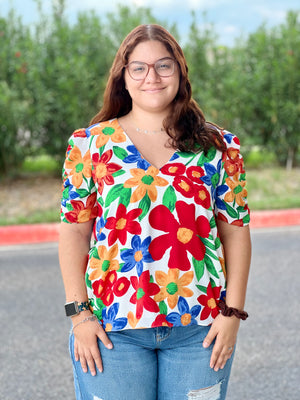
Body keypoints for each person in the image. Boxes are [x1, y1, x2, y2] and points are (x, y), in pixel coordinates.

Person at [59, 24, 251, 400]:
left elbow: (236, 231)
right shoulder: (89, 145)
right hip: (112, 329)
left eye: (164, 66)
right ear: (123, 77)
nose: (152, 76)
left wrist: (233, 315)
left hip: (201, 329)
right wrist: (79, 314)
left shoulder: (218, 146)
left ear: (180, 73)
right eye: (139, 67)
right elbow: (74, 232)